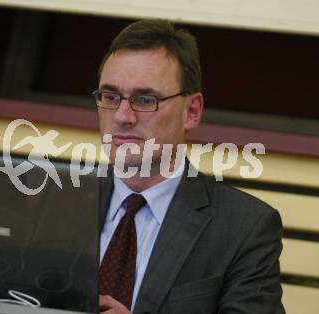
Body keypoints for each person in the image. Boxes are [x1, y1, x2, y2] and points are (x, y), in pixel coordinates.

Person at [94, 19, 284, 314]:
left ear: (192, 112)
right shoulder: (51, 203)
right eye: (110, 96)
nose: (122, 116)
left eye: (145, 100)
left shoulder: (245, 228)